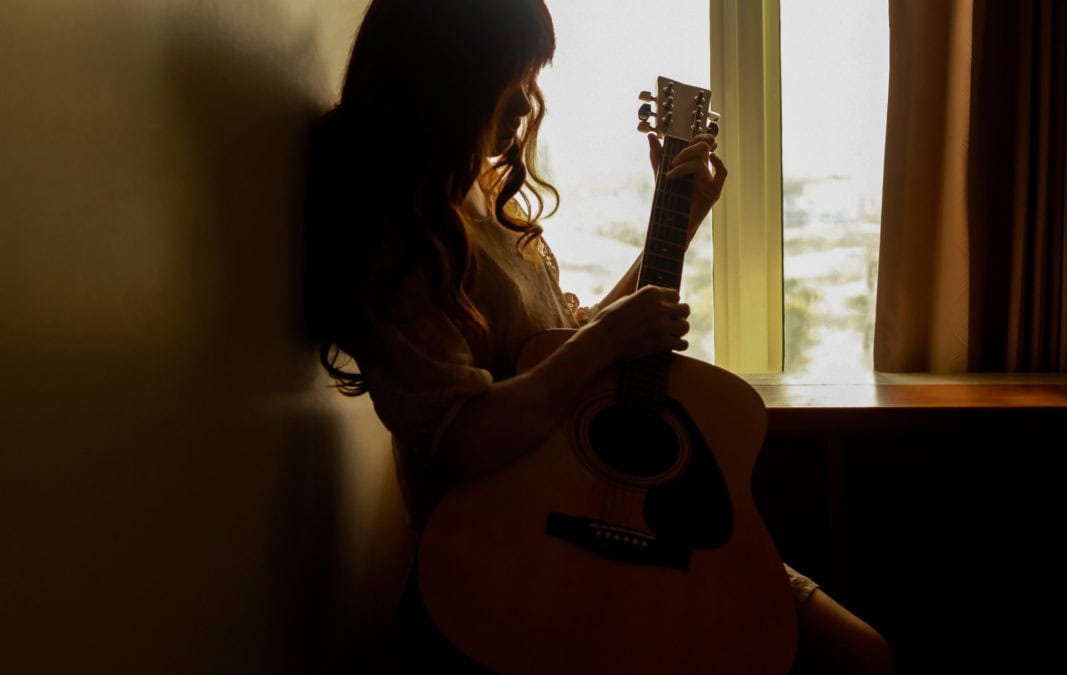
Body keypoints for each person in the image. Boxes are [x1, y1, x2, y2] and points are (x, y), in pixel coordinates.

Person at [304, 1, 895, 673]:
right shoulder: (400, 238)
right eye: (512, 74)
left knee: (864, 653)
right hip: (511, 547)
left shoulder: (483, 197)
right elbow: (461, 439)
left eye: (532, 77)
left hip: (586, 502)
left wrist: (677, 219)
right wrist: (606, 341)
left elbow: (563, 345)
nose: (528, 102)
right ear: (447, 76)